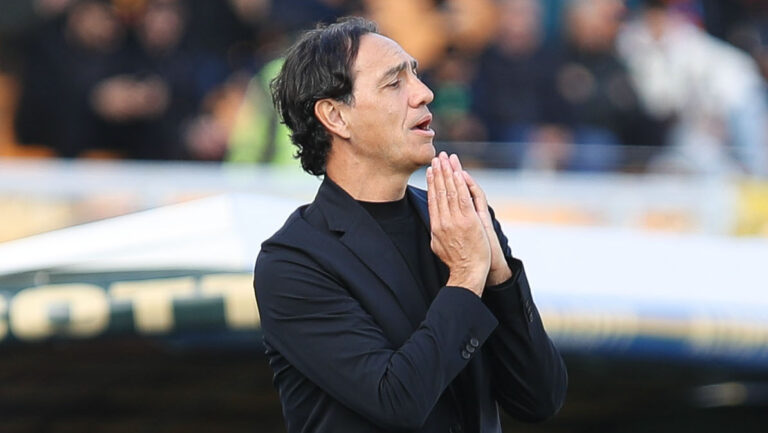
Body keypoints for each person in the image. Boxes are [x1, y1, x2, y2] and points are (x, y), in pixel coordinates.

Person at [253, 17, 567, 433]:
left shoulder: (457, 217)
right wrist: (467, 275)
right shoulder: (294, 262)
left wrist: (500, 277)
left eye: (415, 74)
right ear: (335, 116)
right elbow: (395, 401)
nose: (424, 93)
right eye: (394, 83)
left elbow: (540, 398)